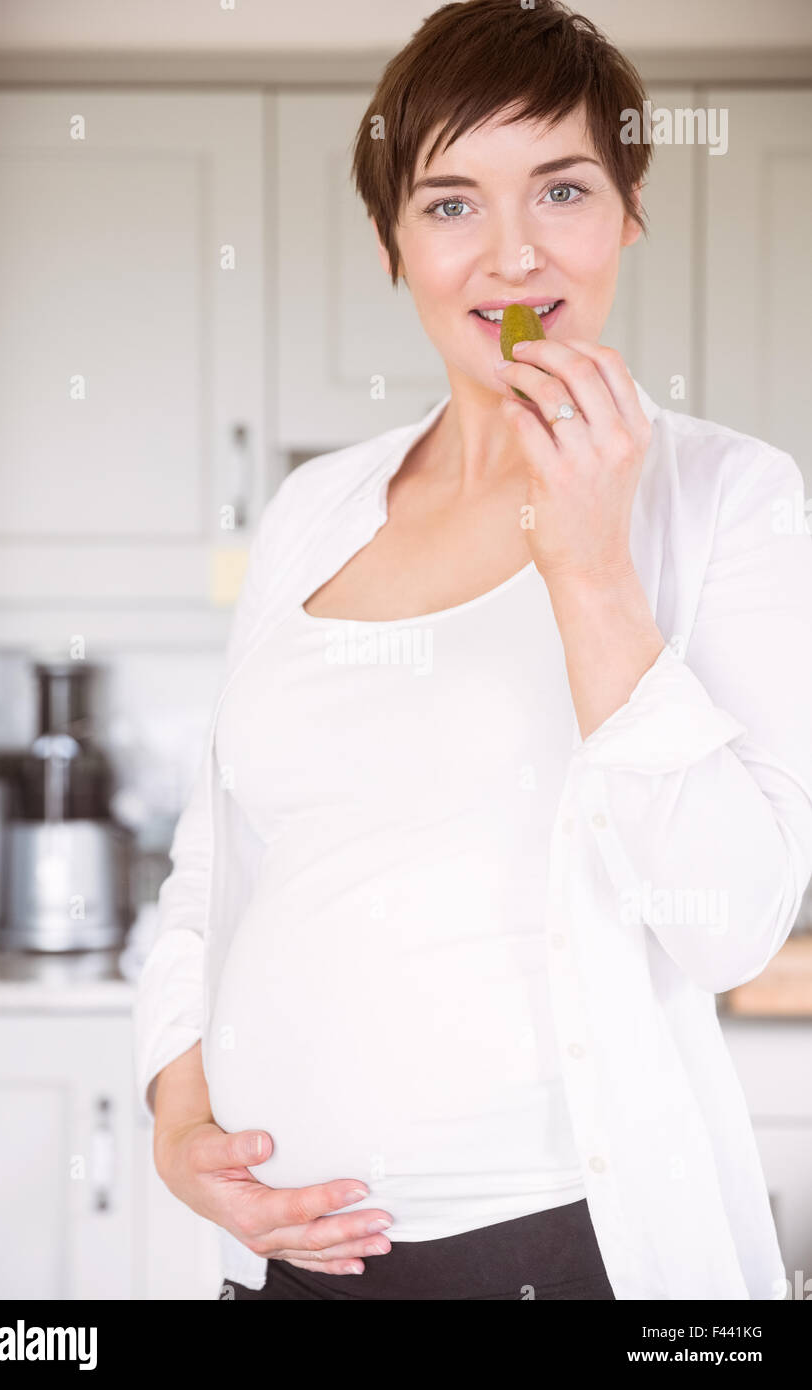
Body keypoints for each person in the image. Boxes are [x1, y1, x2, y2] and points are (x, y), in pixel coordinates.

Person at [134, 0, 812, 1301]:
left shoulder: (728, 495)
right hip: (282, 1257)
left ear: (625, 215)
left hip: (555, 1253)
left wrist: (590, 564)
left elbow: (726, 928)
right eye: (449, 204)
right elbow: (213, 866)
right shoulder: (312, 509)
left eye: (559, 188)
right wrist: (177, 1110)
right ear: (393, 246)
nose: (508, 254)